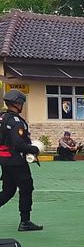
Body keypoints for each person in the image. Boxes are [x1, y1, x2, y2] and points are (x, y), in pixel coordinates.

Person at [0, 90, 43, 231]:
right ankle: (25, 222)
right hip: (16, 161)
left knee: (8, 191)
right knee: (26, 188)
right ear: (17, 103)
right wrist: (33, 149)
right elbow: (18, 144)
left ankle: (25, 221)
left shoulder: (2, 117)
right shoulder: (16, 121)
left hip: (4, 159)